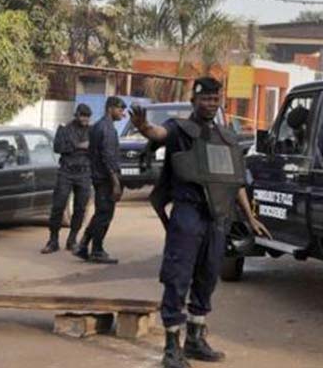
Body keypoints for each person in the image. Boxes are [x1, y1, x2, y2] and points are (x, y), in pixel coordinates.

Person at [130, 77, 270, 368]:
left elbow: (236, 181)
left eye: (215, 99)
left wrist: (249, 216)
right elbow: (158, 134)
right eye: (205, 99)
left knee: (207, 278)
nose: (210, 104)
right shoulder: (179, 129)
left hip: (217, 218)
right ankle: (171, 348)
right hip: (188, 214)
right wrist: (144, 128)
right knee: (178, 276)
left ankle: (195, 339)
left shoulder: (226, 136)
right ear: (194, 100)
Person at [73, 97, 126, 264]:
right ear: (110, 108)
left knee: (100, 213)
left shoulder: (97, 127)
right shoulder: (107, 129)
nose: (122, 113)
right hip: (106, 179)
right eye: (120, 109)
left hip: (98, 176)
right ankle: (97, 250)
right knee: (104, 215)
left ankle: (83, 245)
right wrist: (116, 182)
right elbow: (107, 157)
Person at [41, 104, 93, 254]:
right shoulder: (65, 129)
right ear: (76, 115)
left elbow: (96, 149)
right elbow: (58, 147)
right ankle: (53, 240)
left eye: (87, 116)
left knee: (80, 208)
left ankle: (72, 240)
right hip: (66, 172)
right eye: (82, 115)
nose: (85, 119)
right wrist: (80, 146)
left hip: (84, 172)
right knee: (58, 206)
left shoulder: (92, 130)